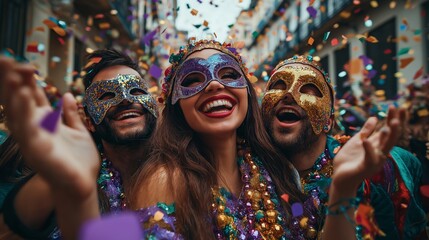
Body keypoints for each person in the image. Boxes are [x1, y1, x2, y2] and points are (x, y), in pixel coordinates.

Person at [0, 40, 403, 240]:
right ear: (174, 105)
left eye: (227, 74)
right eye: (193, 80)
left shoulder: (277, 169)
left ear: (247, 90)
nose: (213, 85)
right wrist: (76, 194)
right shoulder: (165, 180)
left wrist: (343, 189)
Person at [261, 55, 427, 239]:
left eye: (309, 90)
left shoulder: (373, 172)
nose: (289, 94)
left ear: (328, 122)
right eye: (278, 86)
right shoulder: (251, 173)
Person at [0, 49, 158, 239]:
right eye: (106, 95)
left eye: (137, 90)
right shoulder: (70, 168)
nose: (125, 99)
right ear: (89, 121)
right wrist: (57, 180)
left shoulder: (182, 169)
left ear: (154, 106)